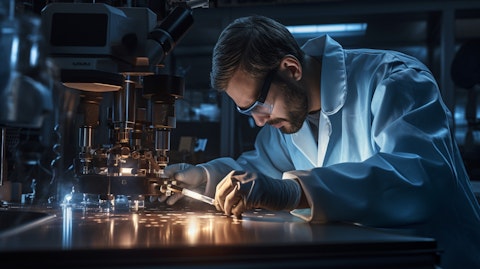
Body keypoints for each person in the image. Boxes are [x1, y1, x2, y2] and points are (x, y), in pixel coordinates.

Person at [161, 15, 480, 269]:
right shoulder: (287, 121)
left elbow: (418, 179)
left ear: (291, 68)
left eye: (259, 105)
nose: (258, 121)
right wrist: (201, 178)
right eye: (247, 111)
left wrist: (295, 191)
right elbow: (257, 171)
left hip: (438, 258)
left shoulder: (394, 78)